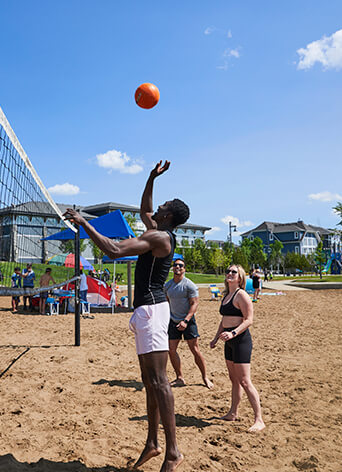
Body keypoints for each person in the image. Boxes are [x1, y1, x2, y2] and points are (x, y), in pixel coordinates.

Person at [64, 161, 187, 472]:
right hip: (147, 310)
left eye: (163, 205)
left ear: (168, 215)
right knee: (149, 381)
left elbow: (115, 250)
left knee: (159, 381)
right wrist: (150, 178)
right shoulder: (156, 228)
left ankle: (172, 451)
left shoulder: (160, 238)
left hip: (152, 310)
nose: (156, 206)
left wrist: (83, 222)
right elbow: (146, 208)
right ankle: (152, 444)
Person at [210, 264, 265, 433]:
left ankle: (259, 419)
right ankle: (232, 413)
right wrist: (215, 338)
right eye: (228, 271)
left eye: (234, 272)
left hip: (240, 340)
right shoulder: (226, 295)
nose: (230, 274)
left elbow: (249, 320)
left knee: (245, 381)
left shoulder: (242, 295)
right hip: (228, 340)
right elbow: (224, 319)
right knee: (234, 380)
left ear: (240, 277)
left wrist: (233, 333)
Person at [164, 258, 213, 389]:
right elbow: (166, 302)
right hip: (173, 321)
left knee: (195, 349)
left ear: (184, 269)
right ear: (173, 268)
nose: (177, 267)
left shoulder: (189, 285)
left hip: (188, 321)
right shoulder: (168, 285)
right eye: (175, 265)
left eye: (180, 265)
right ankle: (179, 377)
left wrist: (185, 320)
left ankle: (205, 377)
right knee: (171, 350)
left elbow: (194, 304)